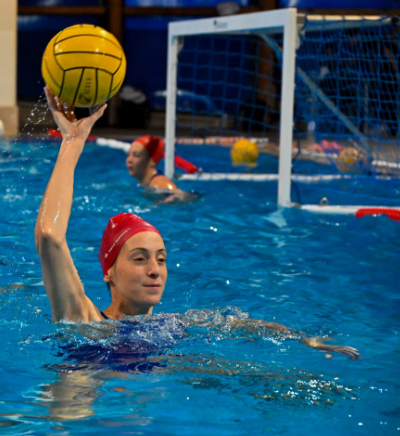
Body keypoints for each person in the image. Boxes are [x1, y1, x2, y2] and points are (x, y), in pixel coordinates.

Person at [35, 86, 359, 359]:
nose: (155, 270)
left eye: (161, 259)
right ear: (109, 271)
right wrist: (72, 142)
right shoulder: (86, 320)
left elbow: (244, 326)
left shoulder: (172, 325)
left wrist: (304, 339)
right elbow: (49, 237)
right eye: (140, 259)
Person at [126, 135, 198, 203]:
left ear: (151, 161)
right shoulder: (148, 183)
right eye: (128, 155)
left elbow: (181, 196)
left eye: (136, 155)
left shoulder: (160, 183)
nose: (129, 160)